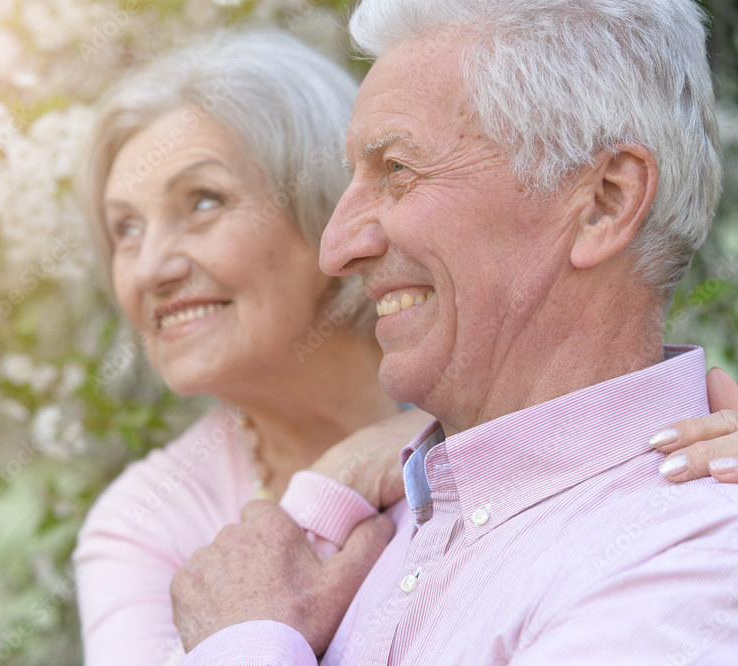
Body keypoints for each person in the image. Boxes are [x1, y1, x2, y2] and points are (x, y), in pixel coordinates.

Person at [74, 27, 738, 666]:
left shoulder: (679, 531)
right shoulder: (155, 519)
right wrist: (333, 489)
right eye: (124, 229)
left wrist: (245, 639)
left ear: (603, 201)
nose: (150, 267)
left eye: (203, 202)